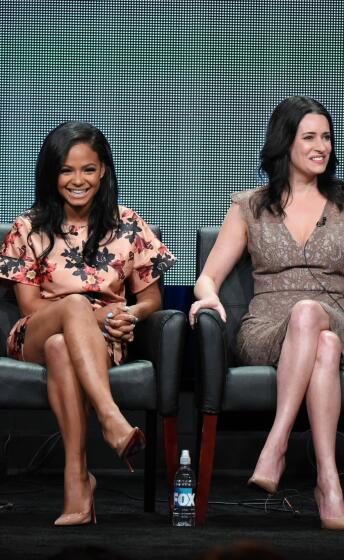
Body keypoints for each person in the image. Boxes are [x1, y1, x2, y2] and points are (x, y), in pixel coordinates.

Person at [189, 96, 344, 531]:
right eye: (309, 136)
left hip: (338, 319)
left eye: (326, 137)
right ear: (285, 142)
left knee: (318, 321)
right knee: (321, 344)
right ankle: (328, 482)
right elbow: (207, 276)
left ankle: (277, 444)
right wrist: (209, 296)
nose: (321, 146)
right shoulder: (249, 206)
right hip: (266, 327)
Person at [0, 121, 175, 526]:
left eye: (88, 169)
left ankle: (77, 481)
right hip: (34, 334)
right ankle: (111, 419)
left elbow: (151, 298)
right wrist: (97, 312)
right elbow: (28, 305)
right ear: (51, 174)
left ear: (104, 172)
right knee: (71, 311)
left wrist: (130, 314)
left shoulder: (128, 224)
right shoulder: (27, 227)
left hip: (100, 341)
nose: (78, 180)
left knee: (65, 346)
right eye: (66, 170)